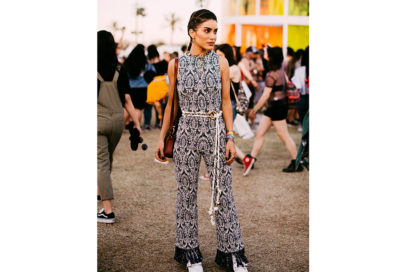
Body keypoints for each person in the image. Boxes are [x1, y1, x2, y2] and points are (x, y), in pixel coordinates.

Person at [155, 9, 248, 272]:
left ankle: (232, 254)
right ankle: (190, 253)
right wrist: (162, 139)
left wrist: (230, 136)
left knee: (224, 193)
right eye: (207, 30)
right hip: (185, 133)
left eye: (215, 31)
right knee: (185, 194)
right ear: (192, 32)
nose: (212, 36)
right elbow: (172, 106)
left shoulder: (221, 62)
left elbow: (227, 103)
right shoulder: (176, 65)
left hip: (217, 130)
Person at [97, 30, 142, 223]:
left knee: (101, 163)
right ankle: (99, 191)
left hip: (97, 121)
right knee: (107, 160)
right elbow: (127, 100)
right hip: (117, 122)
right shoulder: (119, 68)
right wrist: (137, 123)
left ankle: (107, 212)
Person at [242, 46, 303, 175]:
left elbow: (265, 95)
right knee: (260, 133)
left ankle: (296, 163)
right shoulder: (281, 70)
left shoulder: (271, 75)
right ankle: (251, 158)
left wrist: (255, 109)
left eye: (266, 54)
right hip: (277, 106)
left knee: (284, 136)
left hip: (276, 108)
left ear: (271, 57)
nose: (264, 55)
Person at [123, 44, 156, 129]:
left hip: (129, 87)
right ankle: (136, 127)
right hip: (142, 88)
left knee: (127, 107)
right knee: (138, 108)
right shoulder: (145, 63)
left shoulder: (128, 62)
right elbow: (153, 71)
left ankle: (121, 125)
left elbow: (123, 73)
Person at [291, 46, 309, 127]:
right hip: (304, 99)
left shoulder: (299, 71)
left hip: (303, 100)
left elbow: (297, 87)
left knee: (305, 126)